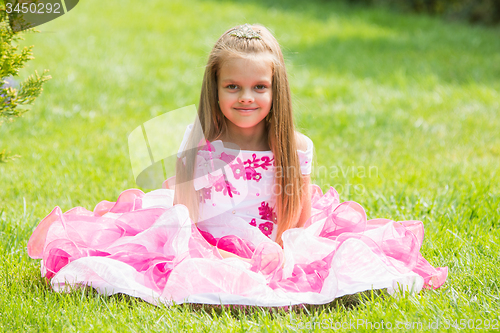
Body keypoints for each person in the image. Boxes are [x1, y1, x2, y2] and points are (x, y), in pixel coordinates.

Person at [27, 24, 447, 307]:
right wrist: (199, 253)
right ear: (215, 87)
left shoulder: (295, 146)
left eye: (259, 87)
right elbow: (184, 211)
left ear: (275, 90)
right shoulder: (201, 144)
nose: (246, 97)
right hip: (207, 238)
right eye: (233, 86)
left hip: (275, 240)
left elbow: (297, 216)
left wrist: (281, 255)